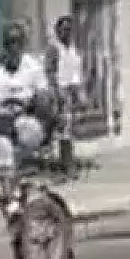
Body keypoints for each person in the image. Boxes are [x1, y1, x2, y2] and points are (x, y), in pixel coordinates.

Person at [0, 21, 53, 218]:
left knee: (30, 134)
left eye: (17, 42)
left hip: (21, 120)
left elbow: (44, 97)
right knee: (3, 148)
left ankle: (14, 179)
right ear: (3, 45)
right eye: (9, 43)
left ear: (22, 45)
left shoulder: (33, 67)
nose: (13, 47)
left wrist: (44, 108)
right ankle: (10, 199)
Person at [44, 15, 84, 169]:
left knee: (70, 126)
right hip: (60, 91)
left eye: (68, 30)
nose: (66, 33)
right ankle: (66, 162)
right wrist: (56, 92)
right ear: (57, 31)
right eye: (63, 30)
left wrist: (80, 92)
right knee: (63, 126)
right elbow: (50, 71)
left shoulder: (72, 48)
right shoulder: (54, 48)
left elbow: (75, 70)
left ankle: (68, 159)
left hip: (72, 89)